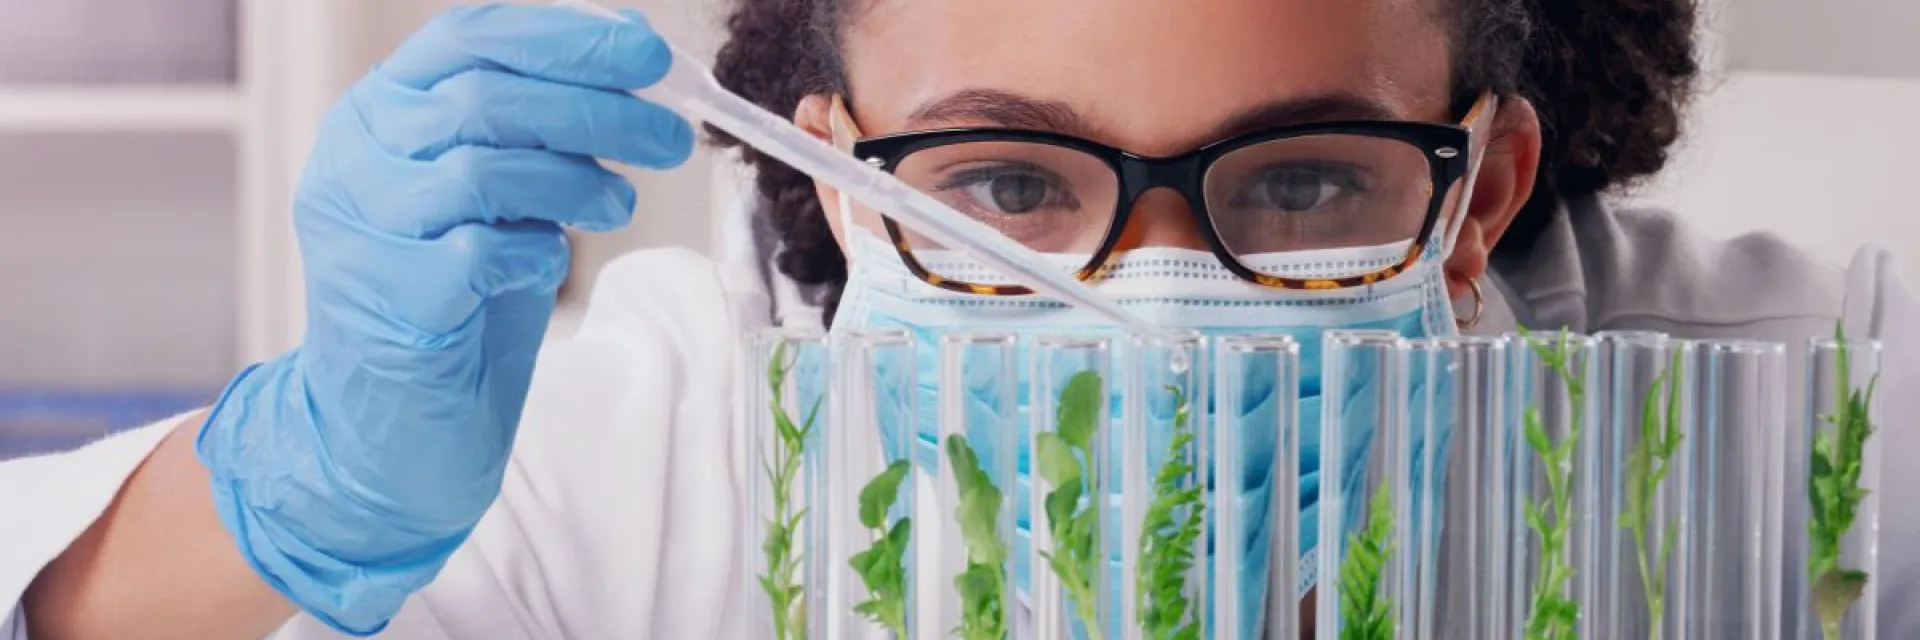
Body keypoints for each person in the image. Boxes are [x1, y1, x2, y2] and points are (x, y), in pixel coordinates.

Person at [3, 0, 1916, 637]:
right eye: (1006, 185)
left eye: (1300, 184)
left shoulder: (1793, 421)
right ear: (844, 175)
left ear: (1482, 188)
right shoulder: (674, 429)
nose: (1144, 296)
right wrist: (303, 493)